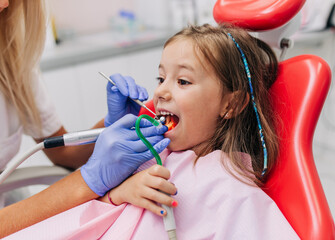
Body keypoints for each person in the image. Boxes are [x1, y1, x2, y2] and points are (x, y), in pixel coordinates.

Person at [6, 24, 301, 239]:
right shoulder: (151, 159)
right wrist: (117, 194)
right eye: (160, 77)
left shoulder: (230, 188)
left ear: (230, 103)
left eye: (182, 81)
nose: (159, 91)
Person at [0, 0, 176, 237]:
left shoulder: (11, 63)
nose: (5, 4)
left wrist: (109, 125)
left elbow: (63, 154)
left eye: (183, 81)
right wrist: (90, 182)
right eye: (161, 79)